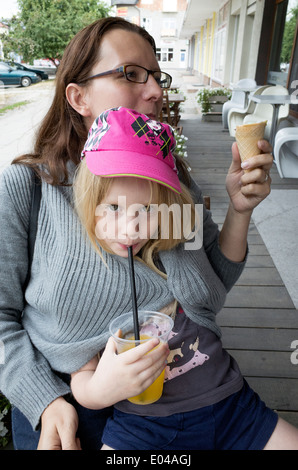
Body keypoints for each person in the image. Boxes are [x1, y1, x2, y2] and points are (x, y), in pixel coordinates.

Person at [0, 16, 297, 450]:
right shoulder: (29, 190)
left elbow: (209, 287)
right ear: (78, 96)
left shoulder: (170, 180)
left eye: (157, 76)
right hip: (68, 395)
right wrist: (46, 399)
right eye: (131, 74)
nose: (156, 90)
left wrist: (239, 210)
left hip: (191, 388)